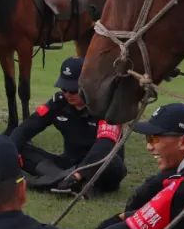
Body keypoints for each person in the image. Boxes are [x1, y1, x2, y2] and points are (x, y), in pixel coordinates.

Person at [9, 57, 126, 194]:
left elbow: (104, 145)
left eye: (73, 90)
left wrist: (78, 174)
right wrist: (10, 152)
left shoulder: (106, 107)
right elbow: (25, 129)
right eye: (64, 89)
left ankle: (65, 181)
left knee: (112, 161)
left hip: (100, 166)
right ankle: (64, 180)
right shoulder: (58, 102)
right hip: (68, 164)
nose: (68, 94)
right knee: (16, 146)